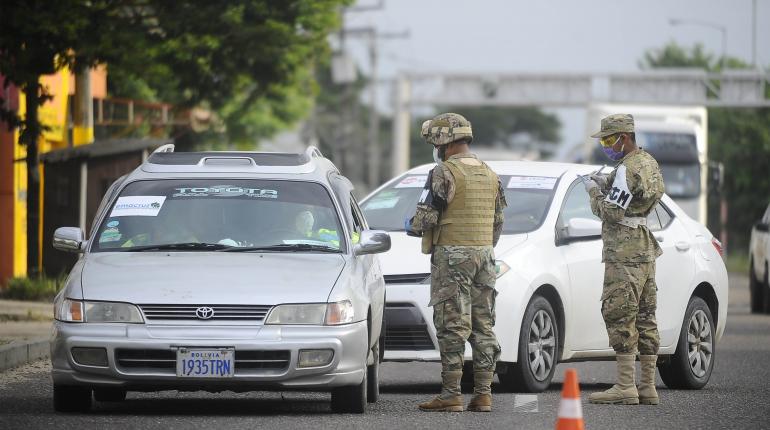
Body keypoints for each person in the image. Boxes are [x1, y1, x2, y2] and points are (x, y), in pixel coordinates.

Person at [407, 113, 506, 412]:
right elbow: (498, 222)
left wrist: (411, 224)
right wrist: (481, 248)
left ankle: (451, 394)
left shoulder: (443, 172)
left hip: (452, 257)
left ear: (443, 141)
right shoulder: (490, 173)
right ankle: (483, 394)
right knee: (483, 324)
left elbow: (426, 218)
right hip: (485, 255)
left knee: (452, 325)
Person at [583, 114, 666, 406]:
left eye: (608, 139)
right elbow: (640, 196)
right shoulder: (649, 162)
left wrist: (594, 192)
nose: (606, 145)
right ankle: (648, 387)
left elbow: (613, 212)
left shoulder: (626, 169)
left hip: (624, 252)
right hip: (644, 248)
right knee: (646, 316)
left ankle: (625, 386)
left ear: (625, 137)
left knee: (620, 313)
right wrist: (609, 181)